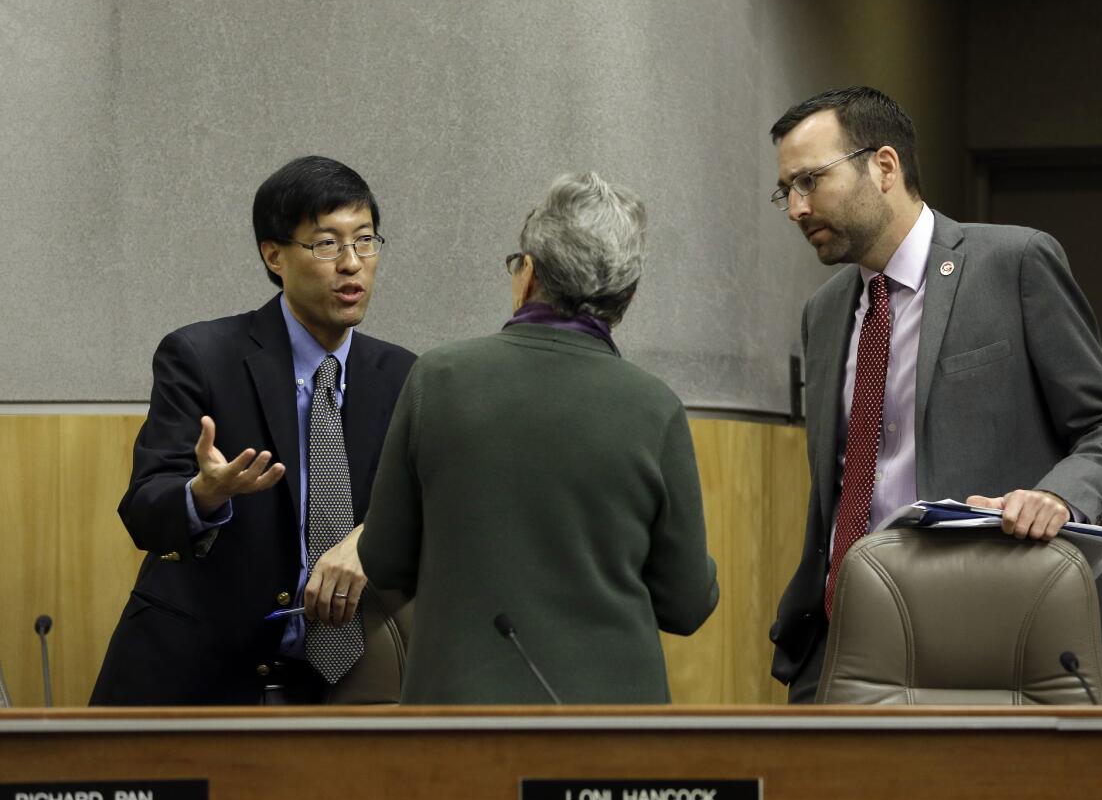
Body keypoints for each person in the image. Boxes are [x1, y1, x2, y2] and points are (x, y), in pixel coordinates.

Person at [767, 86, 1102, 703]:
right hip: (849, 644)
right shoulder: (825, 312)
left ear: (884, 166)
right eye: (787, 190)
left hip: (1000, 634)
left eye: (810, 180)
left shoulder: (1014, 263)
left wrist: (1058, 495)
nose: (796, 208)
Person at [307, 171, 718, 703]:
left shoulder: (439, 378)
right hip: (610, 727)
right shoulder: (654, 406)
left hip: (457, 715)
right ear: (628, 294)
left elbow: (384, 559)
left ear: (529, 272)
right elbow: (687, 605)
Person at [91, 156, 417, 705]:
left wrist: (369, 539)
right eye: (326, 244)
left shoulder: (404, 376)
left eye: (365, 241)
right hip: (197, 678)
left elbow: (428, 507)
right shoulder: (200, 357)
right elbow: (144, 510)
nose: (352, 264)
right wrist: (204, 495)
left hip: (344, 689)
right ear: (274, 255)